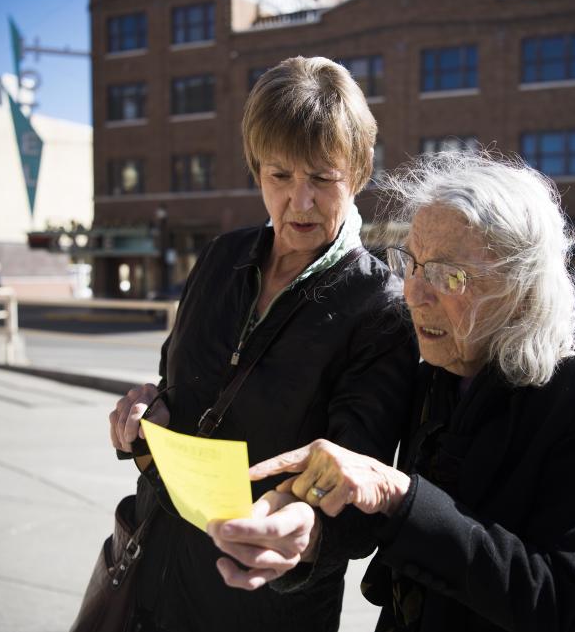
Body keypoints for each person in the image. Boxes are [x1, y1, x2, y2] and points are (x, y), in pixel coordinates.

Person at [235, 151, 575, 631]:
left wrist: (397, 493)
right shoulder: (434, 367)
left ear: (521, 288)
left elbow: (558, 598)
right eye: (411, 264)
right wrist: (303, 529)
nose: (413, 293)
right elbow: (377, 504)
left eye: (446, 275)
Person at [102, 57, 417, 632]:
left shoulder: (381, 307)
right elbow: (176, 386)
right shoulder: (222, 257)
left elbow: (356, 475)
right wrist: (148, 415)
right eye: (280, 176)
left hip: (265, 603)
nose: (299, 201)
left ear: (361, 171)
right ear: (256, 171)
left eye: (322, 178)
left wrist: (306, 528)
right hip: (154, 576)